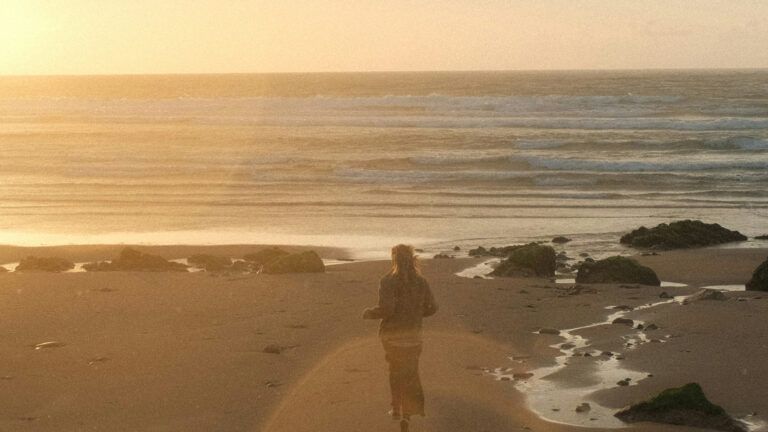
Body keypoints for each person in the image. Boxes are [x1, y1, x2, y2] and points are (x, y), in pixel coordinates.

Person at [363, 244, 438, 431]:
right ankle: (409, 412)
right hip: (414, 336)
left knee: (395, 371)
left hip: (392, 337)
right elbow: (433, 307)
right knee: (411, 373)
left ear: (394, 259)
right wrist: (416, 315)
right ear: (412, 259)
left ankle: (397, 409)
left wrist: (370, 313)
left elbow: (388, 309)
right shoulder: (421, 282)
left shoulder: (388, 281)